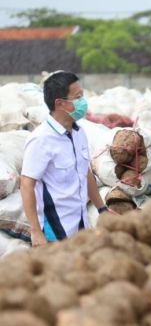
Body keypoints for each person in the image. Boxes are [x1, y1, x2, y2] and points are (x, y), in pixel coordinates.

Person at [20, 71, 110, 247]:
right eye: (78, 97)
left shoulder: (79, 132)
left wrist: (102, 209)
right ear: (60, 103)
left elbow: (85, 172)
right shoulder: (41, 139)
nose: (83, 102)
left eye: (82, 95)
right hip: (55, 231)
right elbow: (26, 185)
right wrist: (36, 232)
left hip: (81, 224)